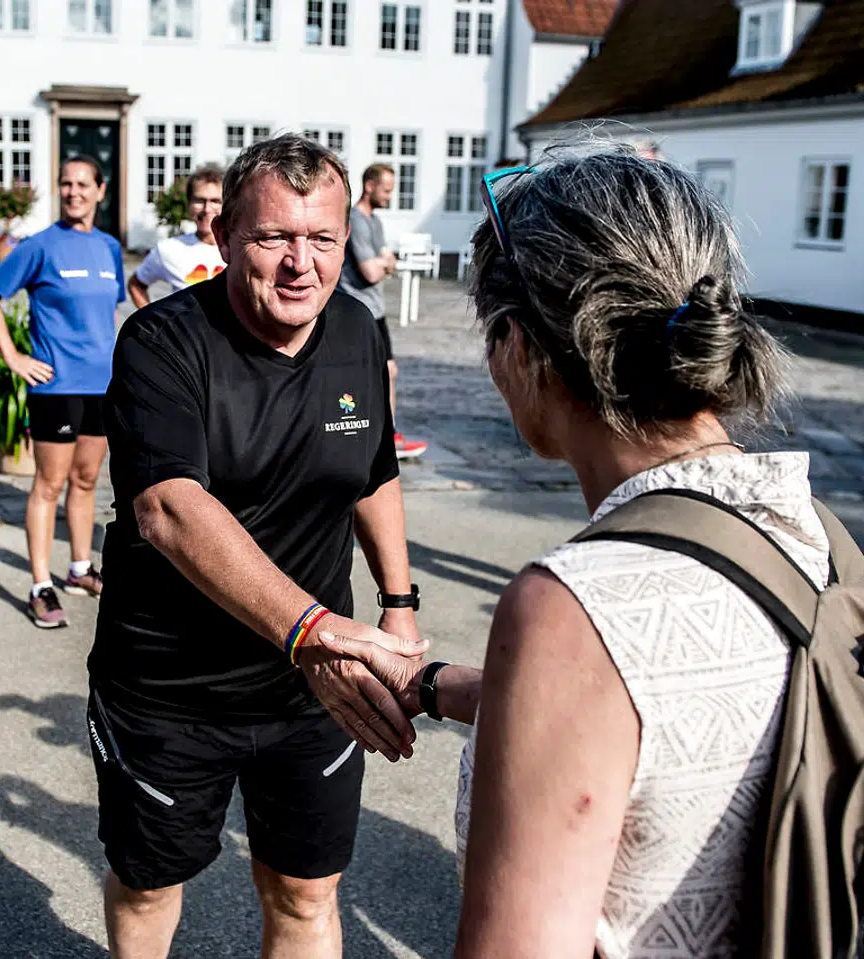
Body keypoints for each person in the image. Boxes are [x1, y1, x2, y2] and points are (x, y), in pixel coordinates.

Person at [321, 147, 809, 956]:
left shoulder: (574, 606)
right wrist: (435, 685)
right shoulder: (797, 525)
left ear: (518, 345)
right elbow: (656, 709)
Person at [89, 133, 427, 959]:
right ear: (224, 236)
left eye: (323, 239)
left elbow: (372, 467)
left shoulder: (355, 328)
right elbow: (169, 507)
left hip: (313, 692)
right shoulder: (161, 344)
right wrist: (313, 631)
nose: (300, 263)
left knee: (307, 894)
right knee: (148, 886)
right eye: (274, 237)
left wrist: (398, 603)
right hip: (172, 689)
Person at [0, 154, 125, 629]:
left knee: (86, 482)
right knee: (49, 485)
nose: (74, 191)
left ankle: (79, 568)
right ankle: (41, 584)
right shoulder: (39, 246)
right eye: (66, 183)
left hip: (102, 386)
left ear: (101, 191)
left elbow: (105, 315)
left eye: (83, 184)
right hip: (55, 387)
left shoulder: (109, 248)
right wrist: (12, 357)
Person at [338, 163, 428, 460]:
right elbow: (372, 271)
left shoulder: (374, 221)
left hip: (375, 310)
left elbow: (385, 261)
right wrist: (387, 263)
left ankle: (387, 435)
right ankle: (370, 436)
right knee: (361, 374)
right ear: (370, 186)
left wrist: (385, 262)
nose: (390, 196)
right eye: (386, 189)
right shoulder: (357, 222)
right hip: (357, 310)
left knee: (387, 371)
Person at [127, 165, 226, 306]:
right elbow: (136, 285)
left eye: (215, 201)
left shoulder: (240, 248)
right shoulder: (169, 249)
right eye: (199, 200)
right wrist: (155, 325)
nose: (207, 209)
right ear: (189, 203)